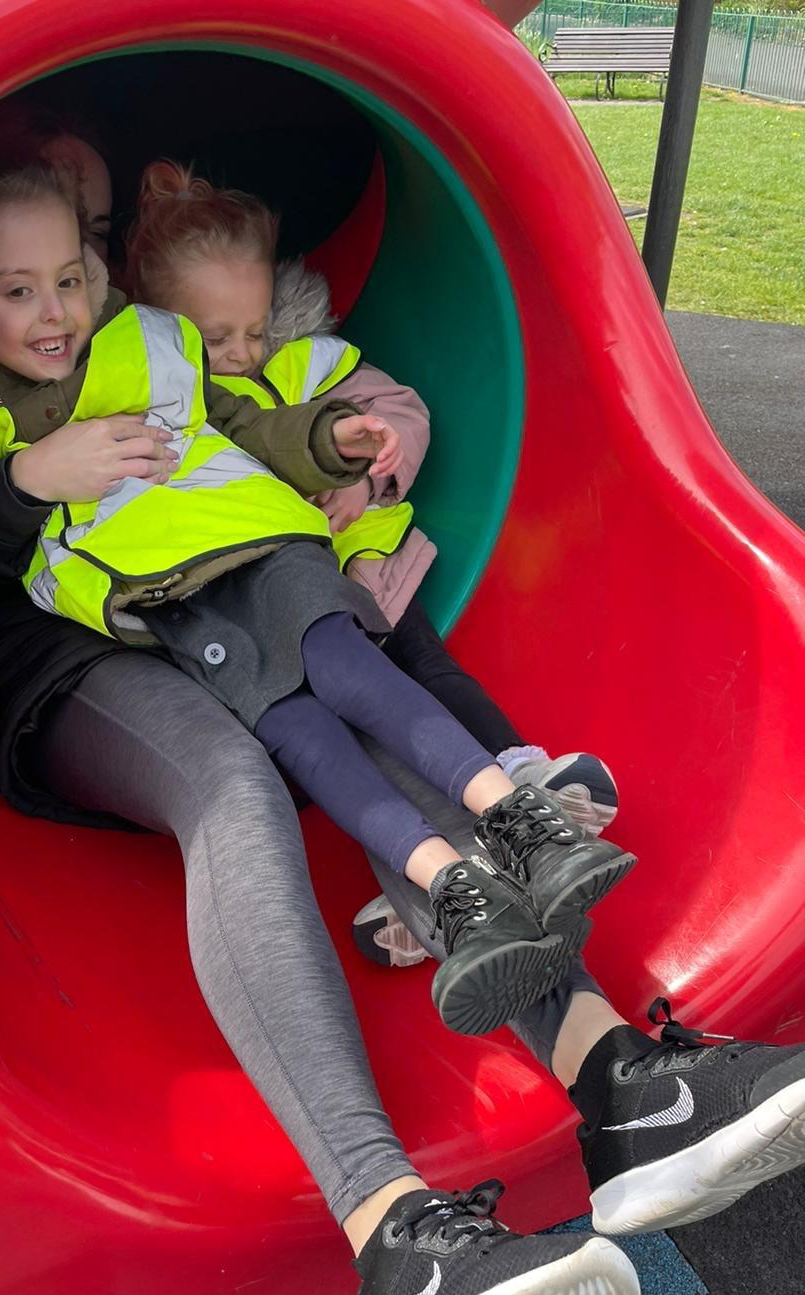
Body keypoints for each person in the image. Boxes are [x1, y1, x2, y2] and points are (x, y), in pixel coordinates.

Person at [0, 136, 805, 1295]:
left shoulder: (143, 353)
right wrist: (4, 492)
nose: (56, 305)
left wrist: (337, 446)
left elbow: (248, 429)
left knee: (351, 688)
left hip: (214, 589)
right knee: (233, 780)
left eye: (75, 268)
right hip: (61, 654)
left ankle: (621, 1082)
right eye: (18, 287)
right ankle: (394, 1236)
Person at [125, 160, 621, 973]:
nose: (242, 353)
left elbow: (401, 411)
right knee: (347, 740)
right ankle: (428, 892)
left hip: (365, 564)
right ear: (160, 328)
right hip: (281, 603)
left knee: (422, 670)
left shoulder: (308, 363)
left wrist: (365, 477)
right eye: (216, 340)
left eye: (255, 329)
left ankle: (517, 772)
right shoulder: (166, 404)